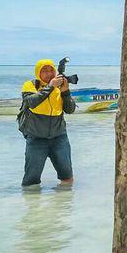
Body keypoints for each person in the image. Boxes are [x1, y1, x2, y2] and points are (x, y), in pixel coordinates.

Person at [19, 59, 75, 188]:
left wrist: (65, 91)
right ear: (38, 72)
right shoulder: (30, 85)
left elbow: (70, 110)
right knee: (30, 181)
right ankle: (32, 206)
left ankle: (64, 206)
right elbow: (31, 102)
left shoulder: (59, 88)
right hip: (36, 139)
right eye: (44, 71)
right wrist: (50, 86)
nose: (49, 73)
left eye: (51, 70)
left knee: (67, 177)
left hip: (59, 138)